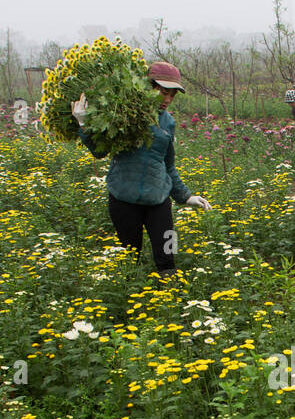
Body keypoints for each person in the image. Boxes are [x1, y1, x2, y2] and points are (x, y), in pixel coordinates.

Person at [72, 61, 211, 276]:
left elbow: (168, 165)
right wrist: (83, 125)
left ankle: (172, 294)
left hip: (159, 199)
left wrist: (185, 196)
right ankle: (131, 302)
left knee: (168, 251)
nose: (167, 100)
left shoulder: (168, 122)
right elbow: (99, 152)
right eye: (163, 92)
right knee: (129, 257)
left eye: (172, 95)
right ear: (148, 87)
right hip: (123, 198)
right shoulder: (122, 115)